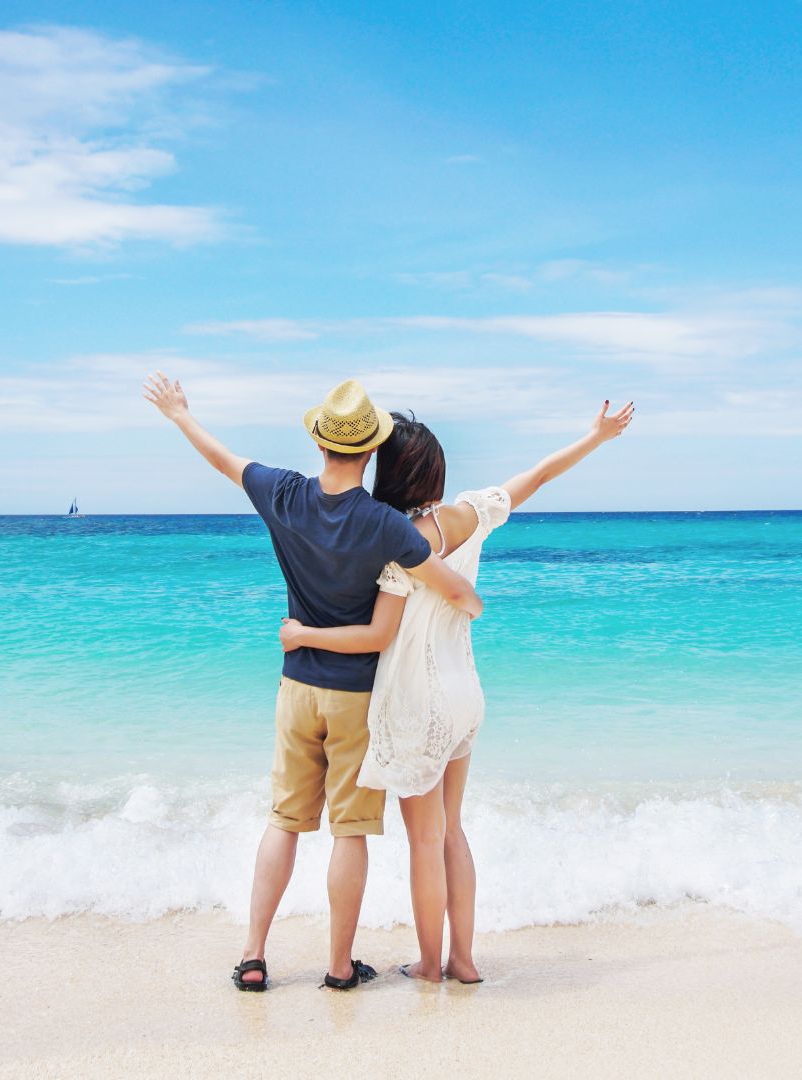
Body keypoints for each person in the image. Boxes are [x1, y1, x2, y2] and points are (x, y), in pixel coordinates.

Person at [141, 372, 484, 992]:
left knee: (284, 822)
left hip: (296, 688)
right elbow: (456, 590)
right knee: (349, 832)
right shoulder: (387, 525)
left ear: (320, 441)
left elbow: (223, 460)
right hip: (356, 696)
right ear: (370, 450)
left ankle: (252, 957)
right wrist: (464, 606)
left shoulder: (283, 494)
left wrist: (180, 415)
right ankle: (338, 967)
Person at [280, 399, 635, 983]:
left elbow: (376, 633)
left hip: (416, 702)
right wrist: (595, 437)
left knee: (425, 840)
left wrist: (303, 635)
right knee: (451, 829)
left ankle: (429, 964)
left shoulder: (397, 545)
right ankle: (463, 960)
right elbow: (538, 475)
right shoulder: (472, 512)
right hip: (464, 691)